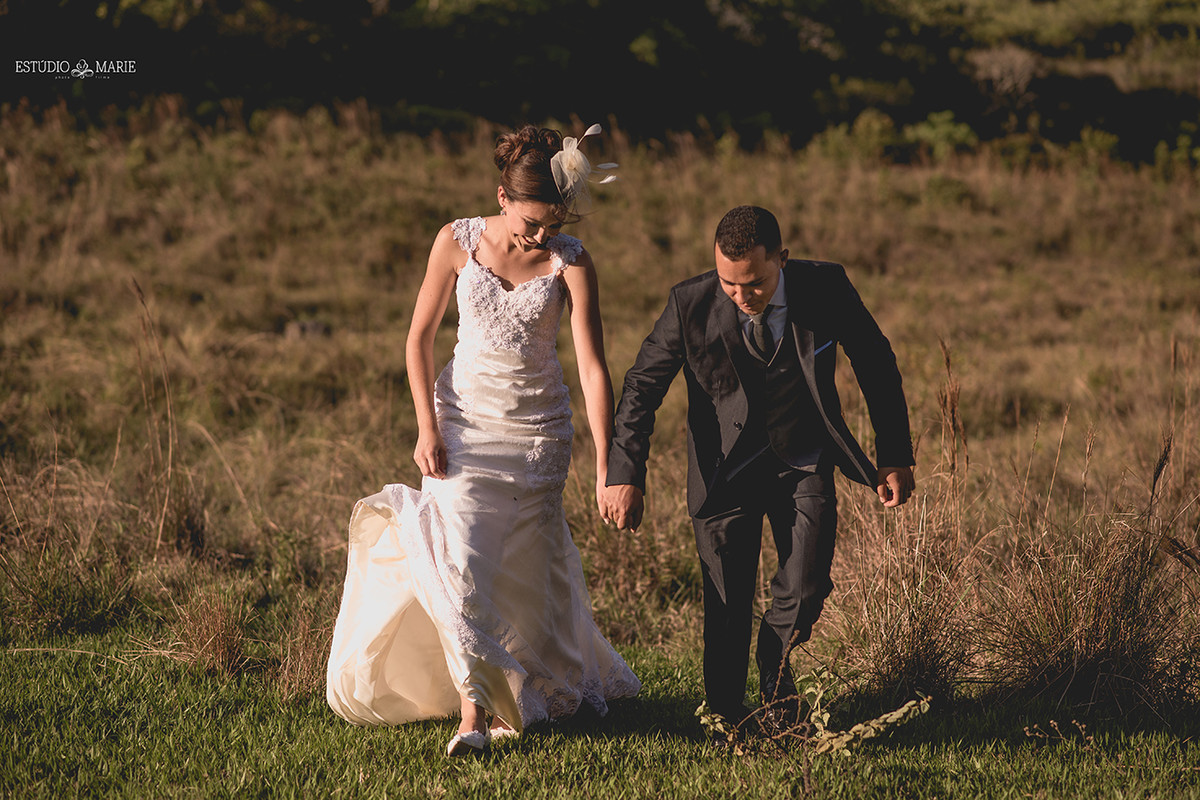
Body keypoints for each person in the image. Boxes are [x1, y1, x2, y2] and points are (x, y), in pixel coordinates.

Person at [326, 124, 639, 756]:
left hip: (536, 434)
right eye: (530, 222)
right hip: (463, 427)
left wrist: (609, 462)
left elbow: (593, 367)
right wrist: (426, 426)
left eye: (551, 223)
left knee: (522, 570)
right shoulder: (454, 241)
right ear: (502, 197)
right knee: (464, 563)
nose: (538, 236)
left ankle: (518, 692)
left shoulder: (571, 261)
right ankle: (473, 717)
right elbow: (417, 340)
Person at [601, 205, 915, 727]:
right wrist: (624, 473)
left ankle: (775, 662)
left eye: (755, 284)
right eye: (730, 284)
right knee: (726, 605)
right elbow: (641, 387)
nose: (742, 297)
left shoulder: (827, 286)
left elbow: (876, 362)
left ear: (782, 260)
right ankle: (728, 717)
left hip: (804, 463)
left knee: (807, 584)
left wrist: (895, 455)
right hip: (722, 474)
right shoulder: (689, 303)